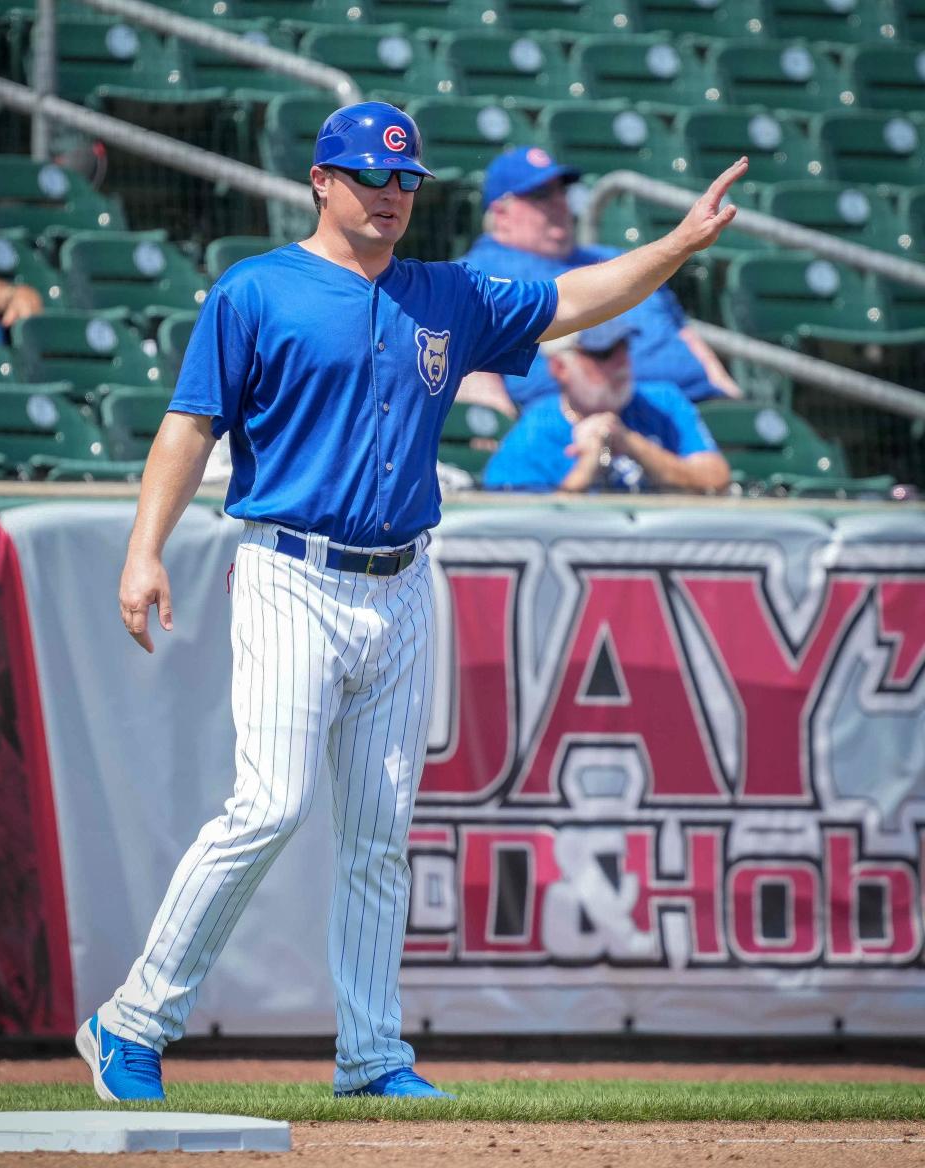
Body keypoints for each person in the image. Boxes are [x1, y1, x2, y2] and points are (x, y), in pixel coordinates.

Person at [73, 100, 747, 1103]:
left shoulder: (445, 293)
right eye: (368, 176)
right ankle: (131, 1018)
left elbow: (574, 301)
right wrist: (145, 549)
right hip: (290, 568)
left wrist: (678, 243)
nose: (390, 193)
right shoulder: (256, 290)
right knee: (269, 803)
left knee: (382, 829)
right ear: (319, 179)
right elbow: (187, 428)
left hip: (399, 580)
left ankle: (371, 1051)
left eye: (404, 181)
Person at [457, 145, 741, 417]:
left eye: (562, 191)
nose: (559, 203)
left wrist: (730, 398)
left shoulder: (618, 258)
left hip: (692, 410)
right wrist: (496, 425)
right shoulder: (476, 273)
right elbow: (470, 363)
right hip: (577, 427)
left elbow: (684, 334)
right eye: (541, 194)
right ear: (501, 213)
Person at [483, 318, 731, 494]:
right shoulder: (536, 429)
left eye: (624, 347)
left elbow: (717, 479)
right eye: (602, 354)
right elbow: (519, 524)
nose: (621, 362)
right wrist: (587, 467)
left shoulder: (663, 402)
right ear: (560, 368)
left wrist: (632, 444)